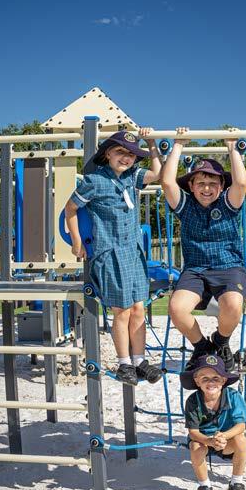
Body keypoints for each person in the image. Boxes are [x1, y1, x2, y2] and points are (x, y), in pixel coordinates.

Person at [64, 129, 164, 385]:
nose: (126, 158)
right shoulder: (94, 181)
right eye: (120, 152)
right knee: (122, 310)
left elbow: (158, 174)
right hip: (109, 252)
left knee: (139, 308)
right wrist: (76, 241)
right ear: (108, 153)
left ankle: (139, 360)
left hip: (133, 252)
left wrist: (151, 143)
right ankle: (124, 363)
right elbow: (70, 208)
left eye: (131, 154)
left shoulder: (132, 177)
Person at [161, 127, 246, 371]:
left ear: (221, 186)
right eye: (201, 183)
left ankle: (221, 341)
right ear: (191, 185)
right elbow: (167, 182)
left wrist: (232, 147)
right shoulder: (186, 205)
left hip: (228, 267)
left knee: (233, 305)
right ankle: (201, 346)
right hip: (196, 270)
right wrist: (178, 145)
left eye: (212, 183)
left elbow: (242, 182)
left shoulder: (228, 204)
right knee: (176, 309)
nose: (207, 188)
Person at [182, 355, 246, 490]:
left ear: (223, 380)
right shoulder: (193, 401)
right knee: (195, 446)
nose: (211, 382)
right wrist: (210, 441)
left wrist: (223, 436)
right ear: (197, 381)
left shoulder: (233, 396)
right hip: (204, 440)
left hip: (226, 440)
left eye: (216, 378)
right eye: (205, 378)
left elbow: (241, 426)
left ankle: (236, 483)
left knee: (241, 440)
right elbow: (193, 432)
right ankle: (205, 486)